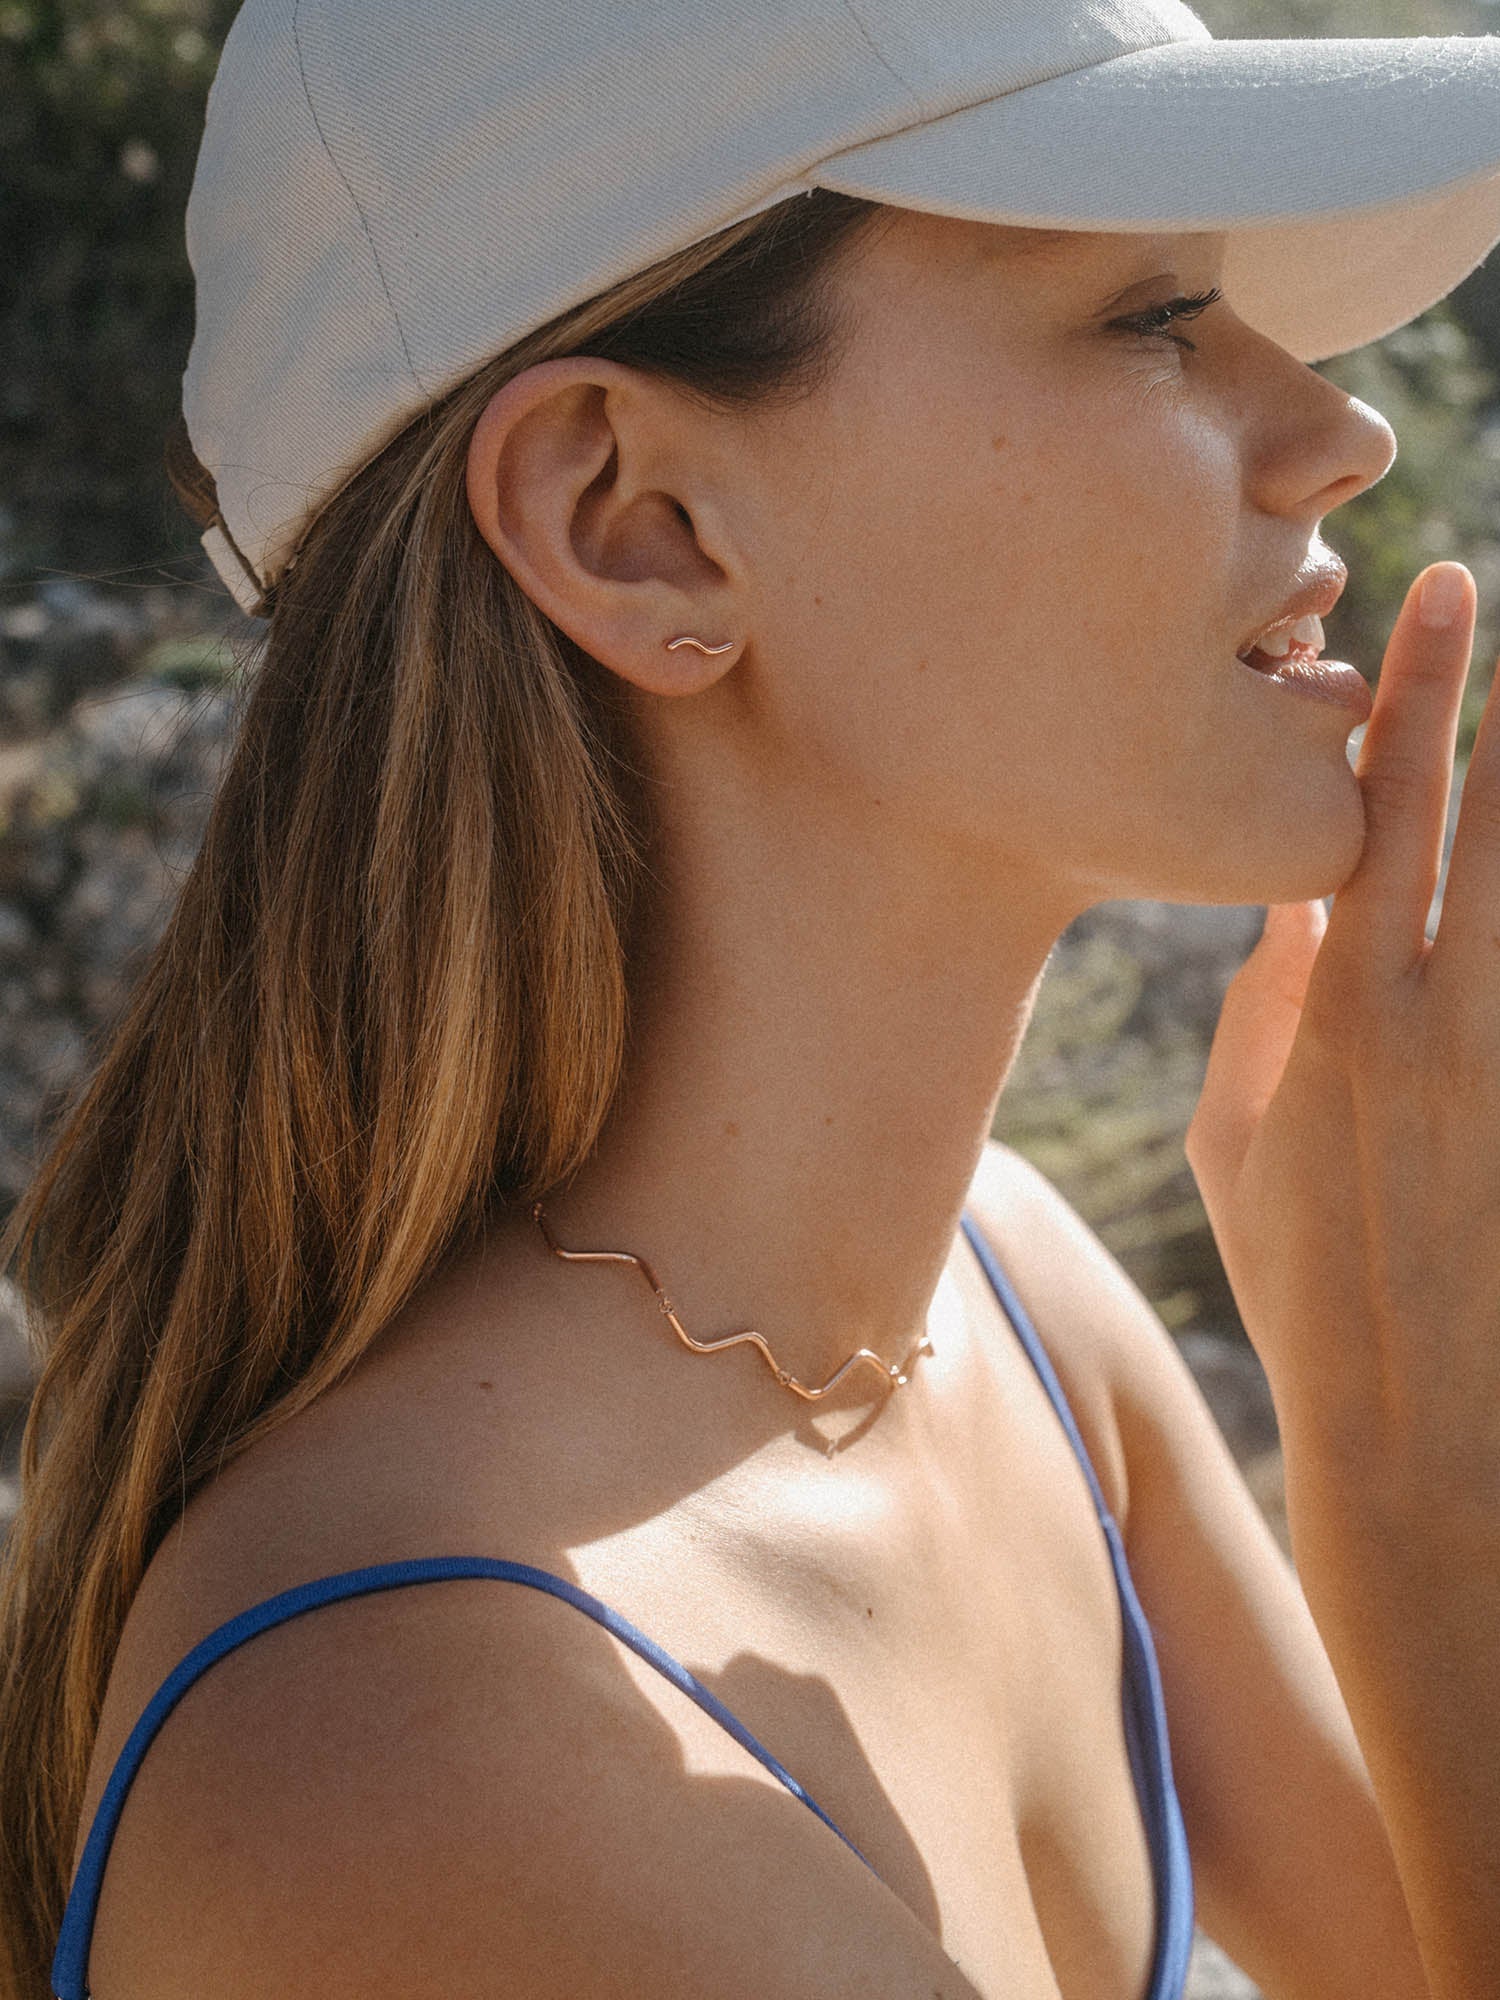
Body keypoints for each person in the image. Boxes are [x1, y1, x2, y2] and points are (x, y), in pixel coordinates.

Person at [3, 0, 1500, 1995]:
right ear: (638, 524)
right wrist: (1422, 1499)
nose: (1341, 430)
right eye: (1151, 318)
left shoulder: (999, 1300)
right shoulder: (428, 1774)